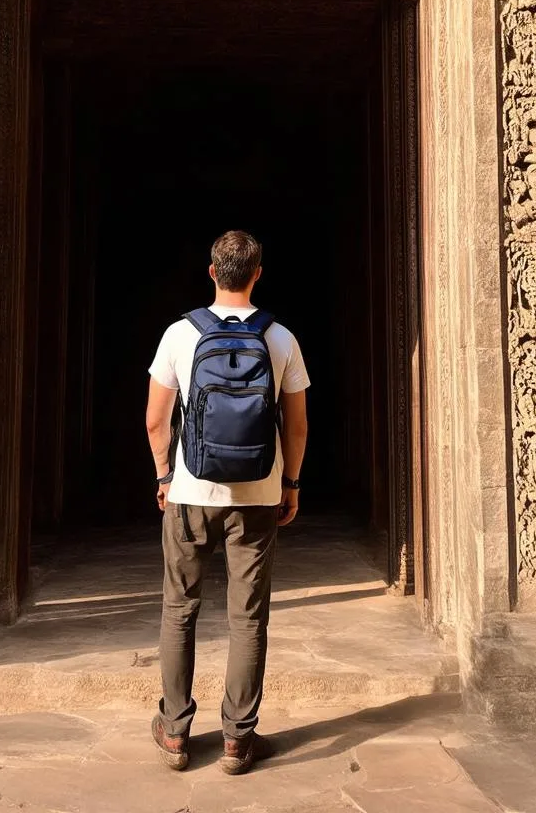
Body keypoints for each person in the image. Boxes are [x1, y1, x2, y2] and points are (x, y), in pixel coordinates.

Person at [146, 230, 310, 775]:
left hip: (191, 493)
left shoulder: (179, 335)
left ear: (211, 272)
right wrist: (290, 484)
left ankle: (174, 732)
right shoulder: (281, 338)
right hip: (259, 495)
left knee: (180, 609)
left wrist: (166, 475)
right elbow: (297, 425)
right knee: (248, 618)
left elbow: (154, 419)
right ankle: (238, 740)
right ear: (258, 273)